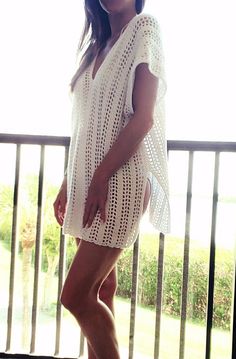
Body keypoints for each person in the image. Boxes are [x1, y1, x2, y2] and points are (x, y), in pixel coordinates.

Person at [53, 0, 170, 358]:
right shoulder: (97, 45)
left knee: (75, 296)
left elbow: (143, 119)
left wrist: (101, 177)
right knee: (100, 292)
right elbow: (83, 128)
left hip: (119, 182)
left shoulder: (144, 29)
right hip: (88, 186)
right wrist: (67, 183)